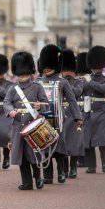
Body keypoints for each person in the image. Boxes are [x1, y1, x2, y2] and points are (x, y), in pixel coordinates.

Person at [36, 44, 83, 184]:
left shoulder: (62, 82)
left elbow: (72, 100)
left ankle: (61, 172)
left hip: (58, 119)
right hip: (43, 120)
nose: (46, 68)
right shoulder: (38, 82)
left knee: (60, 147)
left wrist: (77, 117)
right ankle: (48, 175)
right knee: (45, 147)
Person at [3, 51, 47, 190]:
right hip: (18, 126)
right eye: (20, 75)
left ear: (29, 73)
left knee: (33, 154)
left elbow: (45, 103)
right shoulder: (13, 89)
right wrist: (10, 111)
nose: (22, 77)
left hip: (33, 125)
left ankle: (38, 177)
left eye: (24, 74)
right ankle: (27, 182)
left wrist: (40, 106)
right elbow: (6, 102)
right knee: (21, 156)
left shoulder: (37, 87)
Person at [82, 46, 105, 174]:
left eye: (97, 66)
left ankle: (104, 163)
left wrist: (89, 82)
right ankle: (91, 166)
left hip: (102, 111)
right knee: (89, 140)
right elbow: (82, 91)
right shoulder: (87, 77)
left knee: (103, 140)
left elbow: (104, 89)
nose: (95, 69)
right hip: (88, 111)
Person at [60, 49, 85, 178]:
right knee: (63, 143)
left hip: (74, 116)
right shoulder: (59, 81)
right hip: (62, 116)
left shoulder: (78, 82)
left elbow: (77, 92)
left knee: (74, 143)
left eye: (69, 70)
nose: (66, 73)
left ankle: (73, 168)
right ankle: (64, 170)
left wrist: (65, 85)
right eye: (64, 70)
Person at [75, 52, 91, 168]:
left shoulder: (83, 80)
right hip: (82, 107)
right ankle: (82, 158)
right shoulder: (83, 79)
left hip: (84, 107)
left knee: (81, 134)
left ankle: (83, 159)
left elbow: (79, 91)